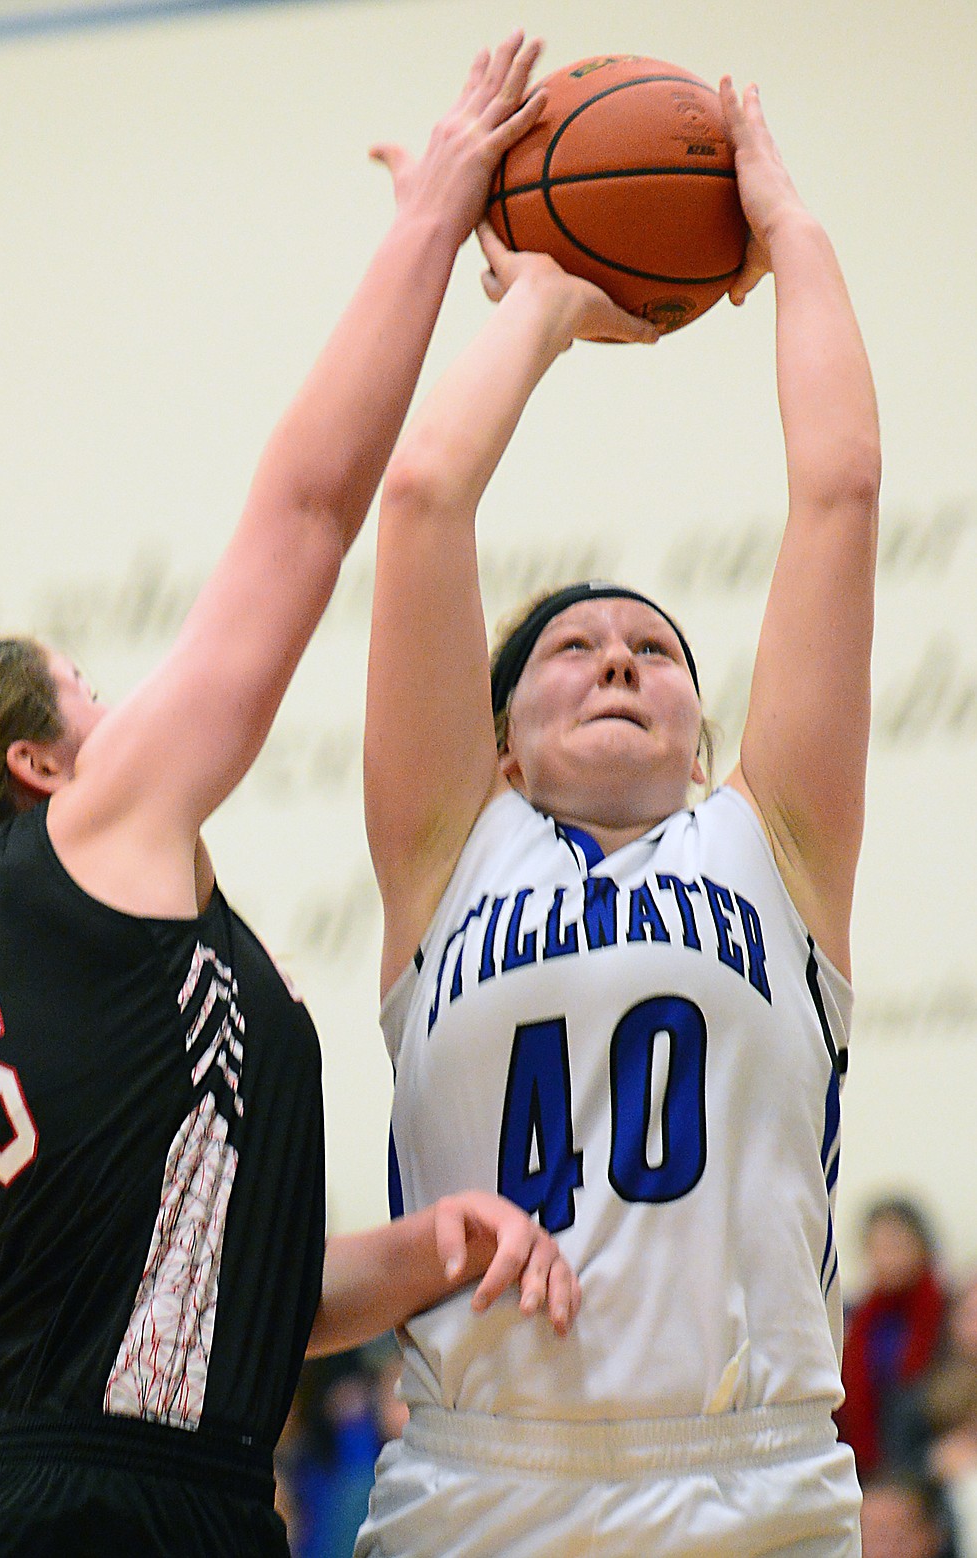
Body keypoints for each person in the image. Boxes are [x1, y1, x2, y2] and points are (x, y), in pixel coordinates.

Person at [0, 34, 581, 1558]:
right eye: (92, 689)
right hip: (94, 1513)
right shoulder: (71, 850)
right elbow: (306, 510)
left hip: (91, 1502)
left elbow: (225, 1298)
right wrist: (432, 222)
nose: (134, 703)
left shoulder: (2, 968)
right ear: (38, 765)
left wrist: (432, 1247)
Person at [357, 75, 881, 1557]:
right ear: (498, 749)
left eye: (653, 651)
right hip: (478, 1478)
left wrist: (788, 230)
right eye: (574, 648)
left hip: (751, 1473)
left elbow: (836, 493)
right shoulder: (448, 853)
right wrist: (538, 305)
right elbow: (420, 500)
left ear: (705, 734)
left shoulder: (767, 845)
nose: (617, 659)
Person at [838, 1195, 948, 1477]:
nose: (889, 1257)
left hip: (929, 1460)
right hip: (868, 1468)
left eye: (897, 1245)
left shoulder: (947, 1312)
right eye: (879, 1247)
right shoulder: (855, 1319)